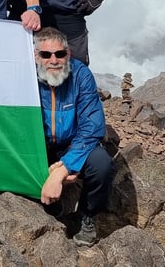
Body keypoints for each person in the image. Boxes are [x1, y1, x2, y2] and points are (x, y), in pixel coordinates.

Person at [35, 27, 115, 247]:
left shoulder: (81, 75)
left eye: (60, 54)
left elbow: (92, 127)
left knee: (101, 165)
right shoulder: (25, 78)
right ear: (36, 56)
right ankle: (52, 205)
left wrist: (64, 168)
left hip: (73, 143)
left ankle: (87, 214)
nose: (54, 60)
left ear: (68, 54)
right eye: (46, 54)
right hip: (40, 144)